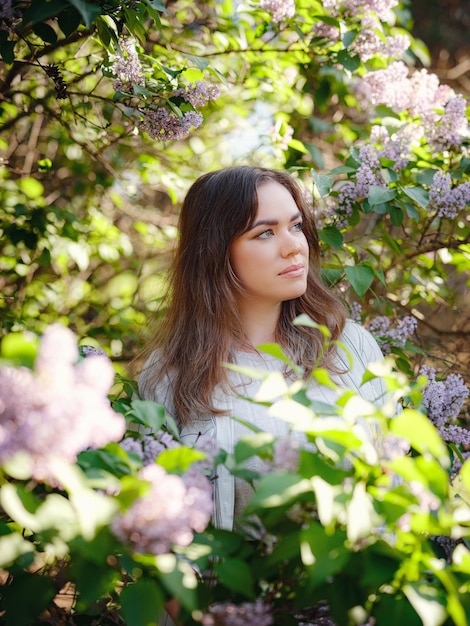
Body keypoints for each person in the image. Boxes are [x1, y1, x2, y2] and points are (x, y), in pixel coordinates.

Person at [136, 165, 389, 624]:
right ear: (215, 252)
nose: (295, 244)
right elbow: (163, 542)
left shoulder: (349, 347)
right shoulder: (170, 376)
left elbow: (392, 487)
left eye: (295, 225)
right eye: (264, 233)